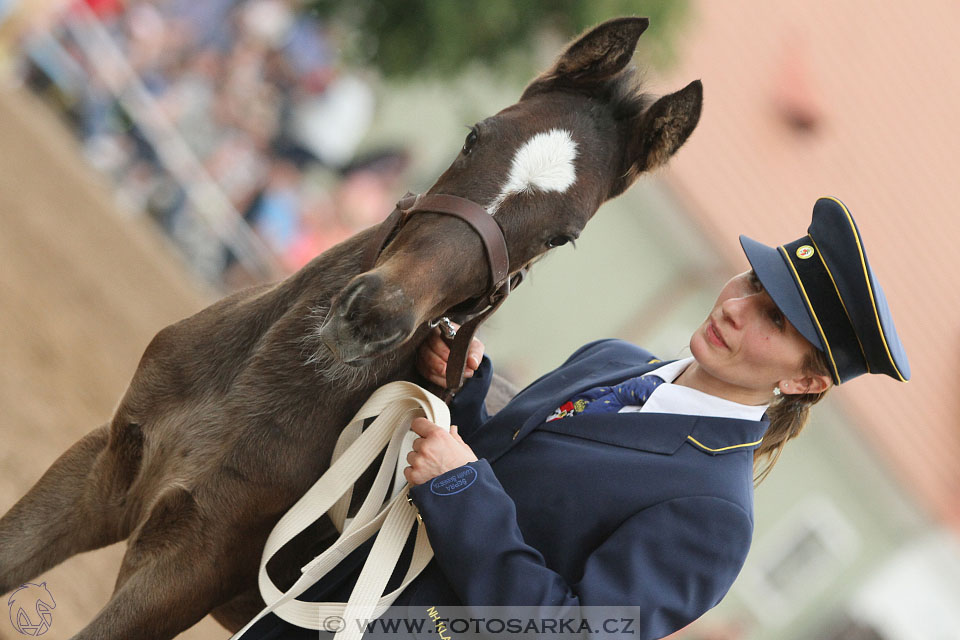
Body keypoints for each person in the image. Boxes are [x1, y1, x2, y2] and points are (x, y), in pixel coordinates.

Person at [245, 196, 909, 639]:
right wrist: (466, 385)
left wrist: (460, 491)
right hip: (338, 595)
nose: (737, 304)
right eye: (753, 282)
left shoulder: (715, 515)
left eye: (772, 318)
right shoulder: (613, 359)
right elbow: (499, 462)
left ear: (804, 380)